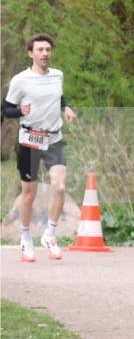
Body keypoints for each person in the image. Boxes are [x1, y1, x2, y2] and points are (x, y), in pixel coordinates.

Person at [2, 33, 77, 262]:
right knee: (29, 195)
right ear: (30, 53)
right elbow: (7, 109)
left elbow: (59, 98)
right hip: (30, 141)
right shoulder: (20, 80)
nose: (45, 54)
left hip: (54, 139)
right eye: (40, 50)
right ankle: (25, 239)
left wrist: (66, 108)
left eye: (48, 50)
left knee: (60, 187)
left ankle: (49, 235)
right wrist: (20, 112)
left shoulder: (57, 75)